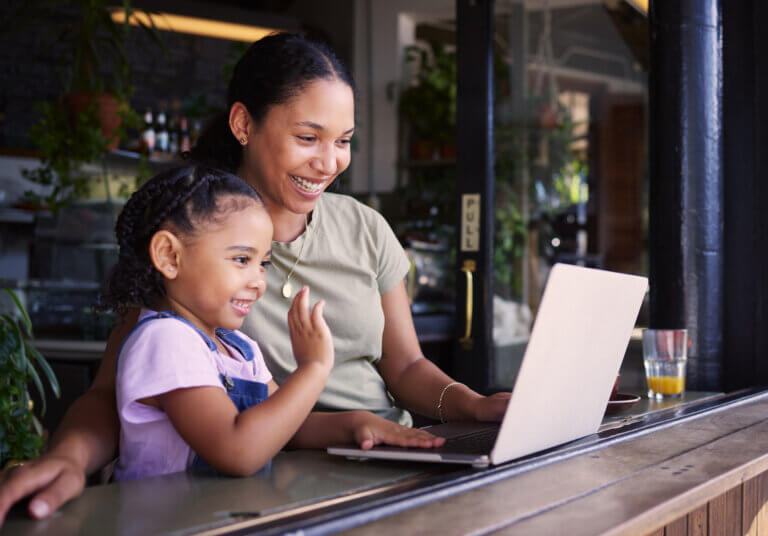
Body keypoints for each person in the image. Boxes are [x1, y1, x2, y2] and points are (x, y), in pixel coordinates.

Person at [0, 32, 508, 521]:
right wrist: (66, 459)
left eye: (344, 141)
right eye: (308, 137)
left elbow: (407, 366)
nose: (329, 161)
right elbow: (113, 393)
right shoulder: (194, 239)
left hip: (387, 463)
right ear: (244, 125)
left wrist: (473, 405)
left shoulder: (364, 227)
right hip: (264, 486)